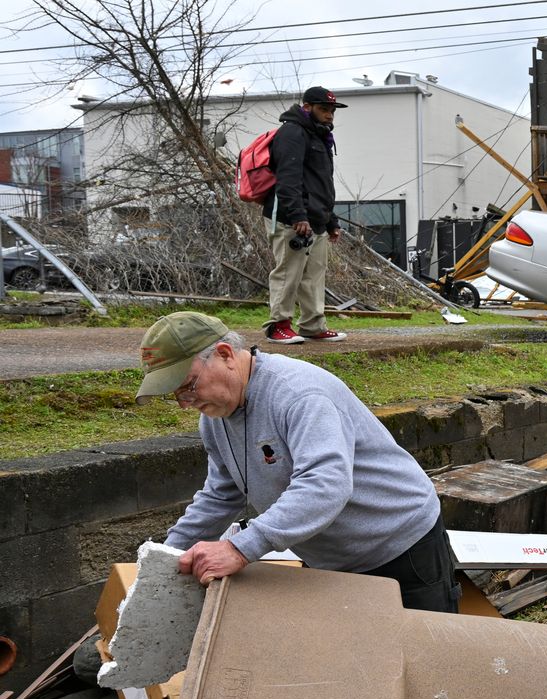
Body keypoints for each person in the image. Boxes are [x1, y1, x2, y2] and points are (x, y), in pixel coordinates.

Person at [134, 311, 458, 612]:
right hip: (331, 560)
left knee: (421, 650)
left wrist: (240, 548)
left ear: (224, 354)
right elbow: (221, 495)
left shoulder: (299, 395)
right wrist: (166, 559)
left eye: (189, 386)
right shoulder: (215, 417)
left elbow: (325, 484)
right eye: (176, 395)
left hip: (401, 546)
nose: (185, 403)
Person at [263, 86, 348, 344]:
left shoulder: (320, 136)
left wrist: (331, 221)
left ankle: (312, 326)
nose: (330, 114)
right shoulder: (292, 132)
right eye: (324, 109)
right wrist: (298, 216)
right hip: (290, 217)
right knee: (289, 271)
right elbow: (288, 179)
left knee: (314, 274)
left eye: (332, 110)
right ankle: (278, 326)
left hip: (316, 218)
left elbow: (322, 184)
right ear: (307, 107)